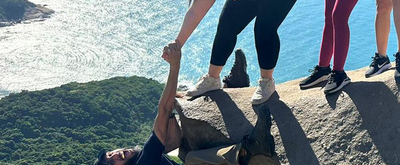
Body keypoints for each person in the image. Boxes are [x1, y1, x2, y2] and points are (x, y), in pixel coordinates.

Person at [167, 0, 313, 106]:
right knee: (225, 28)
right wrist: (177, 44)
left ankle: (267, 82)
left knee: (264, 29)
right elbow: (196, 11)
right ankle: (212, 79)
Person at [94, 44, 269, 165]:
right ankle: (251, 147)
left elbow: (173, 142)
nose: (115, 155)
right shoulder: (144, 162)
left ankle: (232, 86)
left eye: (110, 154)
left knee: (187, 145)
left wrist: (171, 114)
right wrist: (175, 65)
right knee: (193, 158)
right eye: (111, 163)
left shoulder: (145, 158)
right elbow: (162, 109)